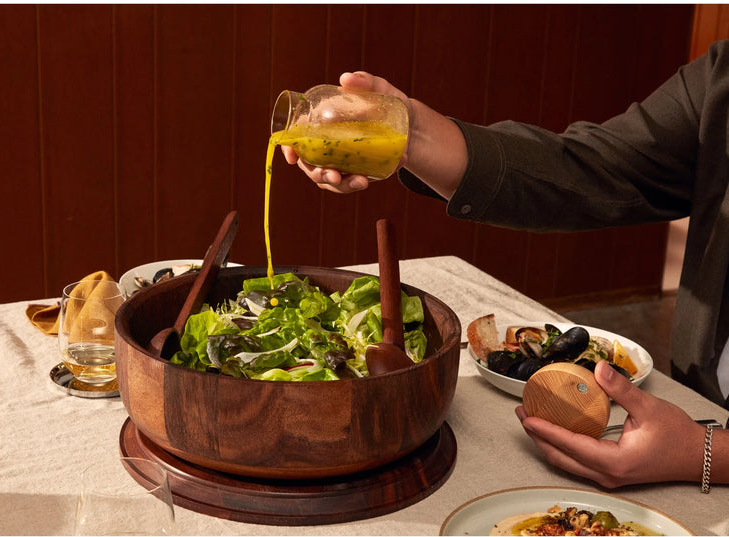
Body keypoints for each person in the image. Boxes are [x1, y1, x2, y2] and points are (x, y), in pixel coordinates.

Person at [281, 40, 729, 488]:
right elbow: (596, 168)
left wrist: (701, 453)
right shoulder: (720, 76)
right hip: (703, 406)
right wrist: (411, 134)